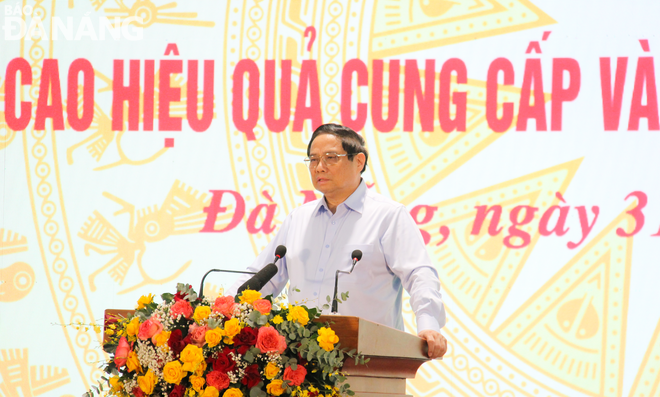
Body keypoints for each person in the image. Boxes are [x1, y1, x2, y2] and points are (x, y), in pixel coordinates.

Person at [228, 123, 447, 359]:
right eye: (313, 159)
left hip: (370, 360)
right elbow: (261, 279)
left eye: (331, 157)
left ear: (359, 161)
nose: (319, 167)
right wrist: (221, 310)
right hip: (302, 363)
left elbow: (419, 273)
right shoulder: (298, 219)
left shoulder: (388, 215)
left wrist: (428, 323)